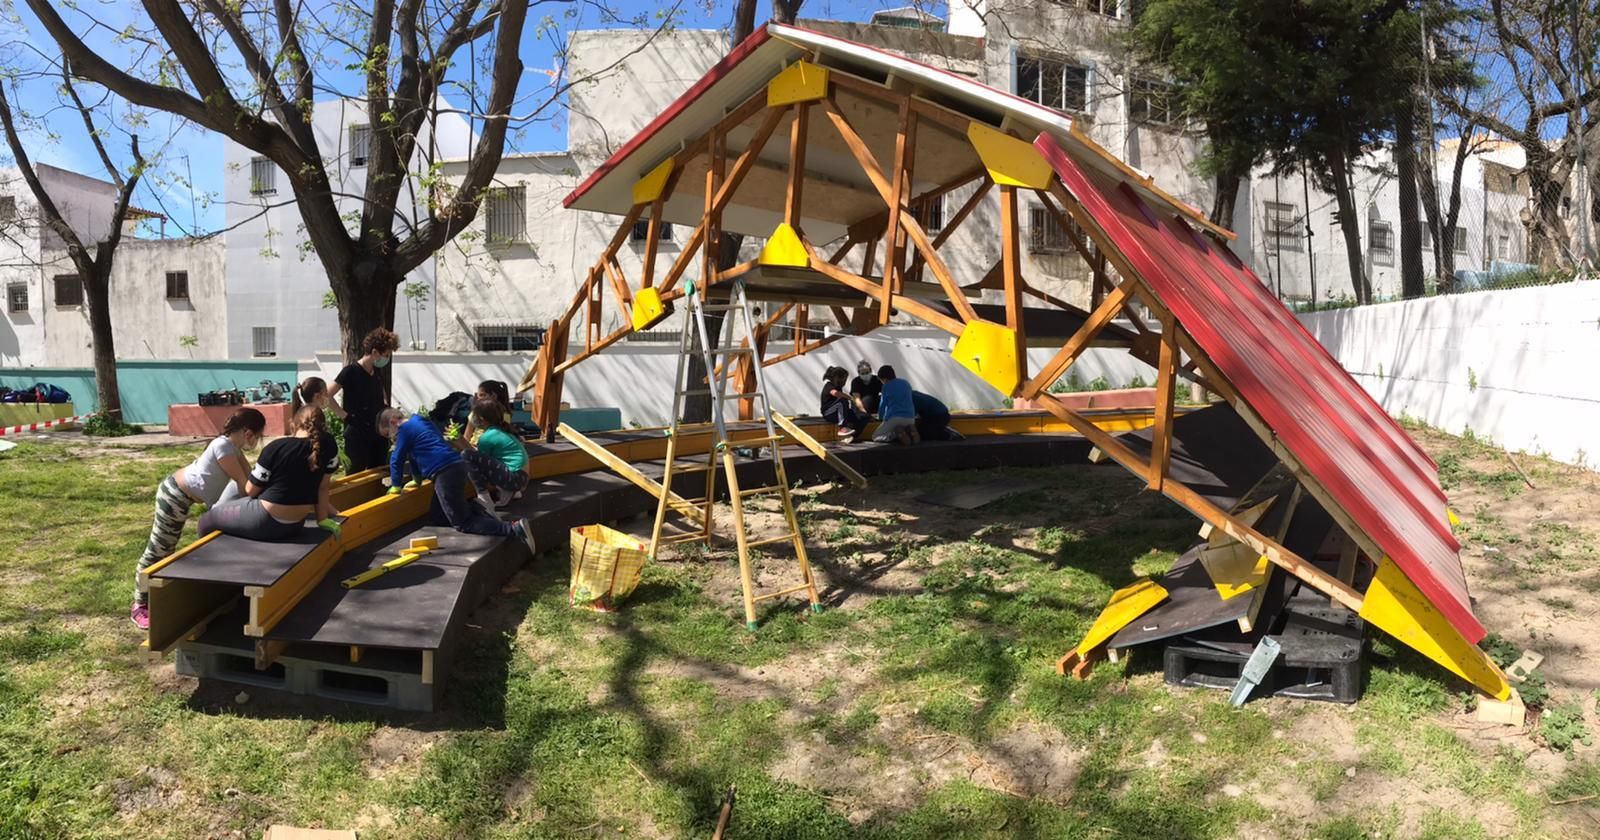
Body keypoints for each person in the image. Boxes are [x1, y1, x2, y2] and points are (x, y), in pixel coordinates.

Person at [130, 408, 267, 629]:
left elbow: (249, 479)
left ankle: (153, 598)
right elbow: (245, 487)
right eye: (259, 436)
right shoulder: (223, 447)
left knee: (167, 550)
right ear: (248, 432)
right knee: (159, 550)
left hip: (185, 498)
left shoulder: (233, 447)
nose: (257, 442)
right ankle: (139, 605)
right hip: (174, 496)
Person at [379, 408, 539, 552]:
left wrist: (395, 486)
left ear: (393, 421)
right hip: (456, 465)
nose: (392, 438)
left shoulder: (404, 430)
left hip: (444, 472)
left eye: (388, 434)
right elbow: (414, 455)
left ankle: (513, 528)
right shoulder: (420, 421)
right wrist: (417, 479)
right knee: (438, 515)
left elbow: (396, 459)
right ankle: (478, 510)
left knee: (463, 523)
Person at [198, 406, 342, 544]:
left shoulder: (277, 447)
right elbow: (322, 488)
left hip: (266, 521)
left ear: (294, 424)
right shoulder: (329, 445)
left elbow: (250, 490)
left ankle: (203, 559)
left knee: (206, 520)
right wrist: (322, 520)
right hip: (295, 524)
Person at [327, 327, 399, 472]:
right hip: (357, 434)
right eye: (385, 355)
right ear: (374, 352)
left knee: (378, 474)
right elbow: (327, 395)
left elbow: (382, 394)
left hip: (378, 433)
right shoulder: (350, 372)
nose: (387, 359)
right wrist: (346, 416)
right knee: (356, 474)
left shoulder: (376, 372)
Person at [458, 398, 530, 509]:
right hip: (521, 478)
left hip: (514, 478)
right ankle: (510, 491)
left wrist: (459, 442)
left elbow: (478, 460)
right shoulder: (503, 431)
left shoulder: (487, 437)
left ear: (481, 419)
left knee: (466, 455)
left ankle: (484, 496)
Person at [872, 365, 918, 445]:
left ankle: (894, 435)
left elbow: (882, 405)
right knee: (900, 428)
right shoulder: (905, 383)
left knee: (875, 436)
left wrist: (880, 417)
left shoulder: (886, 386)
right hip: (911, 418)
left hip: (895, 418)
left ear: (884, 379)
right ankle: (910, 431)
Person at [819, 365, 867, 442]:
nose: (845, 382)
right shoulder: (829, 385)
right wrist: (850, 398)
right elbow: (835, 393)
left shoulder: (839, 388)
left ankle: (851, 436)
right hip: (828, 414)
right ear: (838, 378)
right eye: (844, 379)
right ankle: (842, 428)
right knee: (843, 401)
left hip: (838, 413)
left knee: (863, 417)